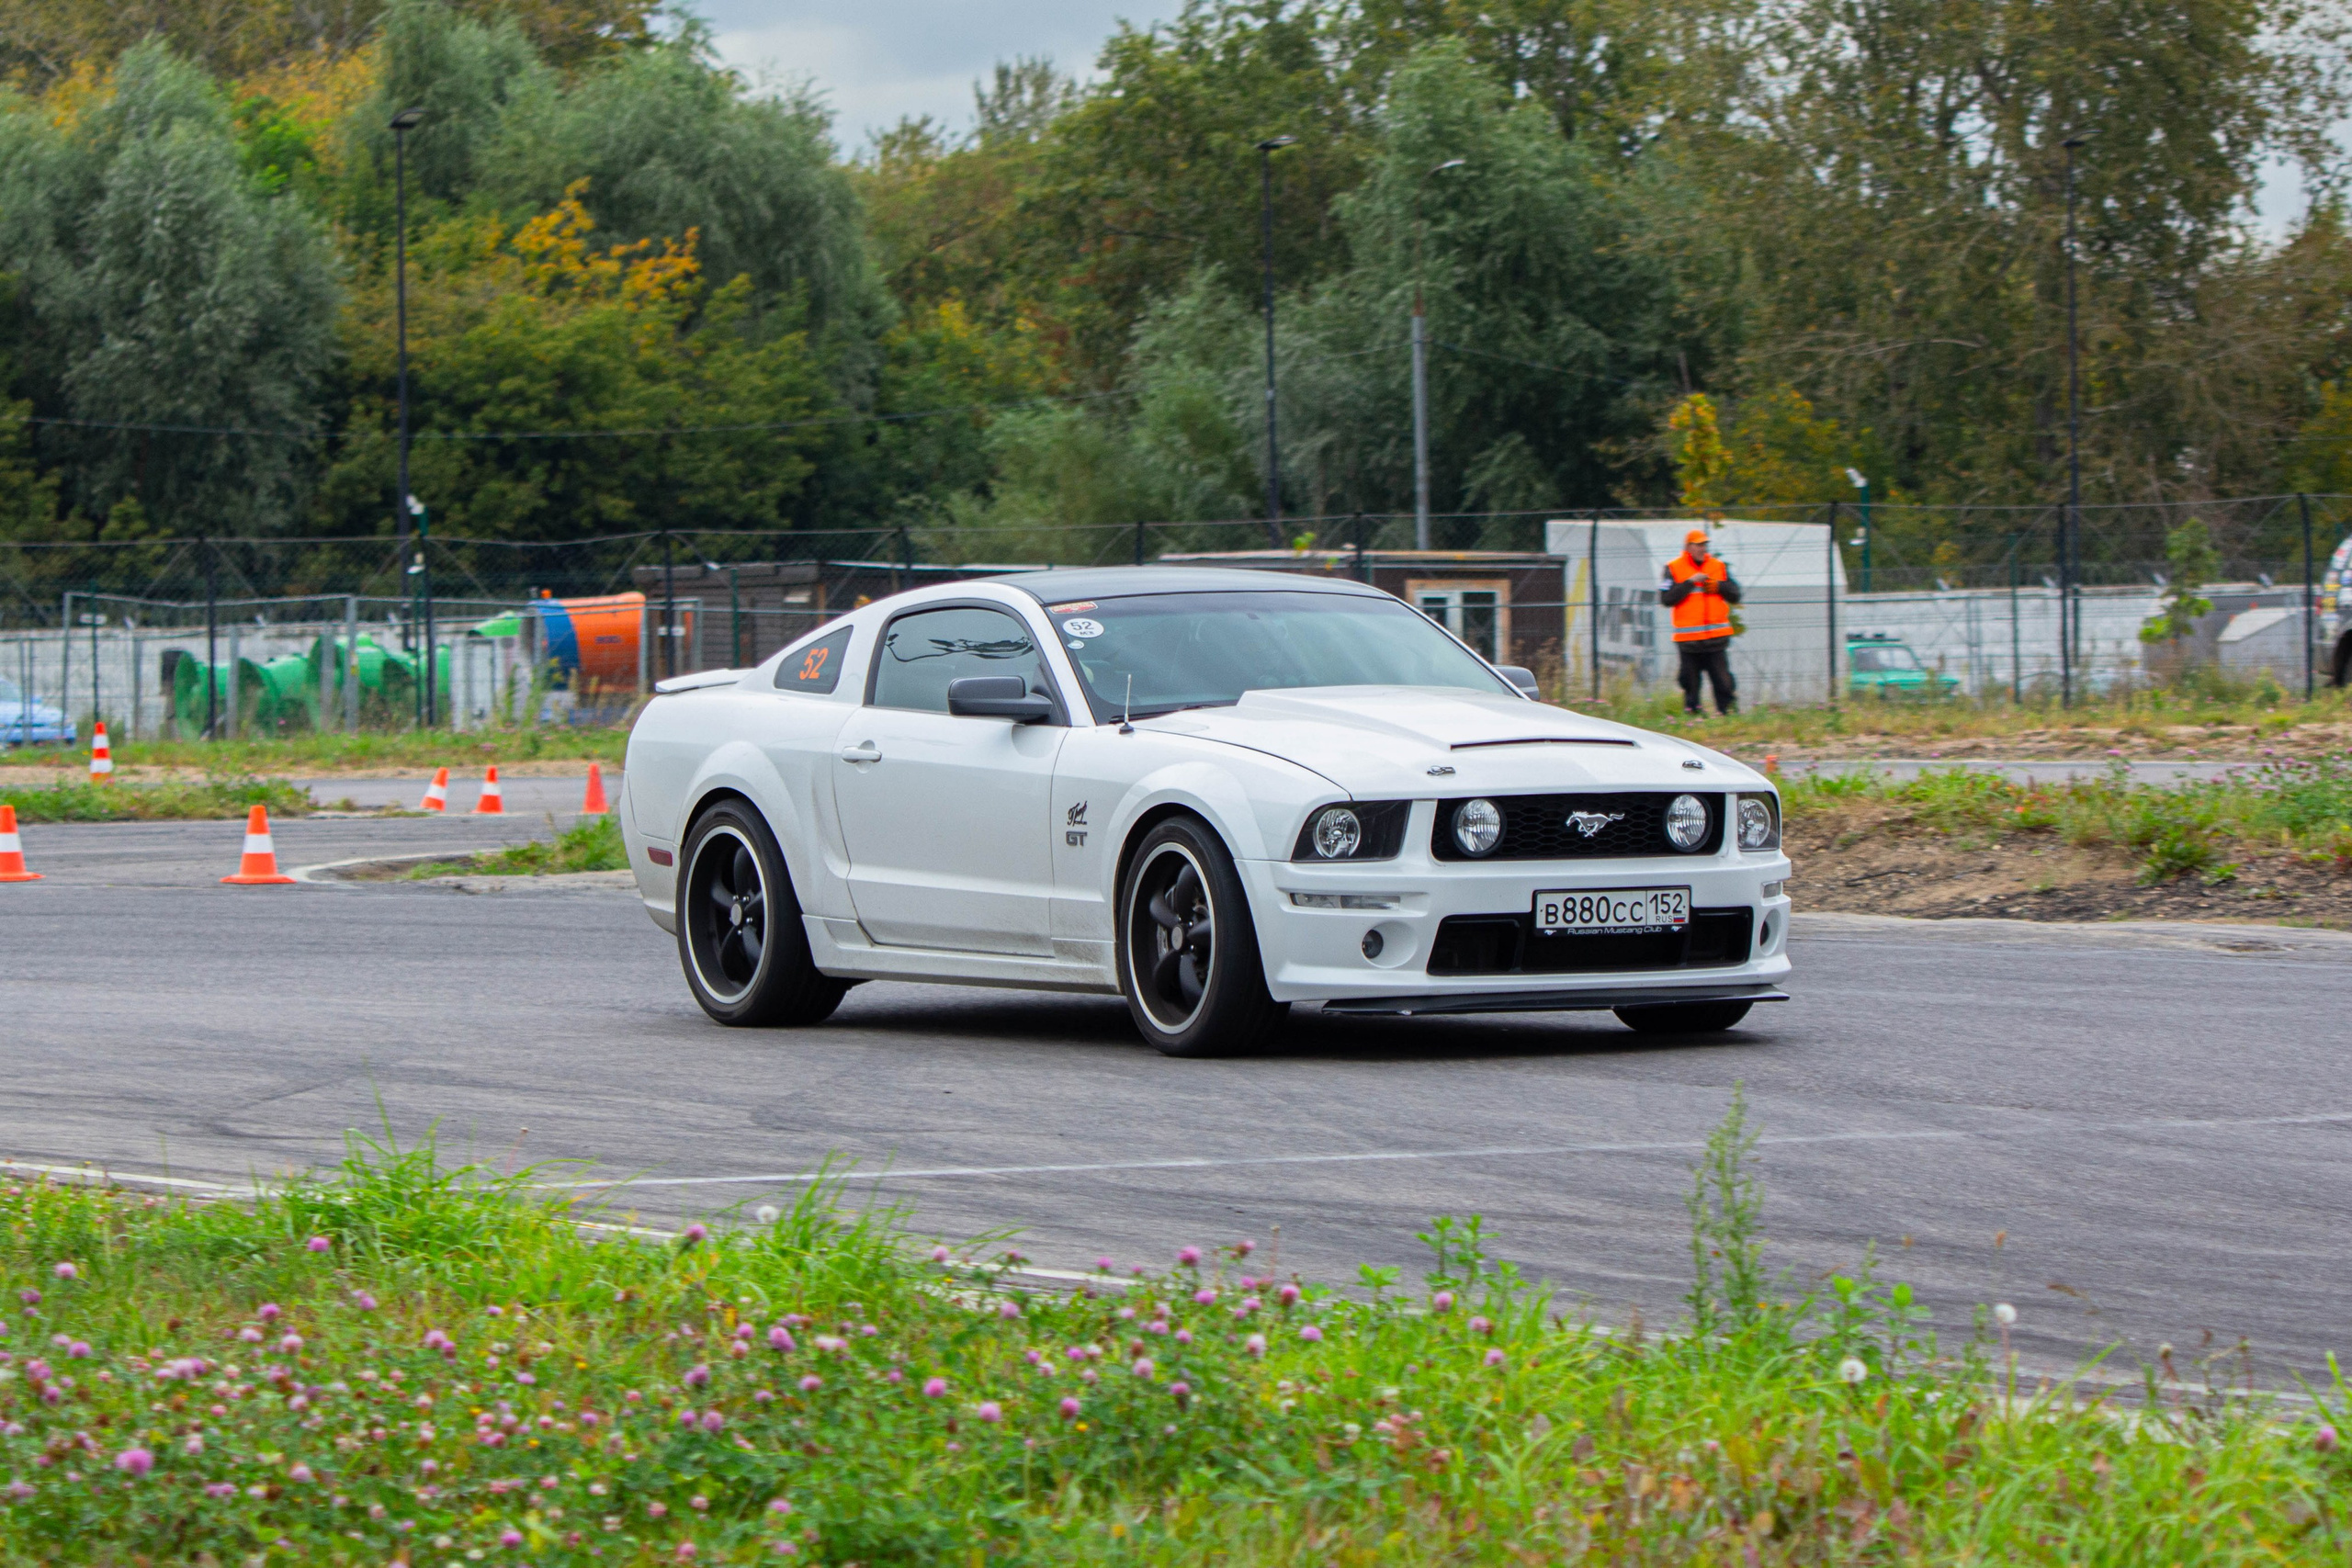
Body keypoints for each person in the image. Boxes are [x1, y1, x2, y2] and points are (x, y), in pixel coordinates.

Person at [1658, 527, 1742, 716]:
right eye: (1698, 545)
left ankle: (1728, 714)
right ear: (1688, 547)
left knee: (1723, 682)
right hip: (1689, 641)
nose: (1702, 548)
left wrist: (1719, 586)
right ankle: (1693, 716)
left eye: (1704, 545)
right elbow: (1666, 599)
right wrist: (1689, 583)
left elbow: (1735, 594)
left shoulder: (1718, 566)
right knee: (1690, 683)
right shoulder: (1673, 568)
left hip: (1716, 638)